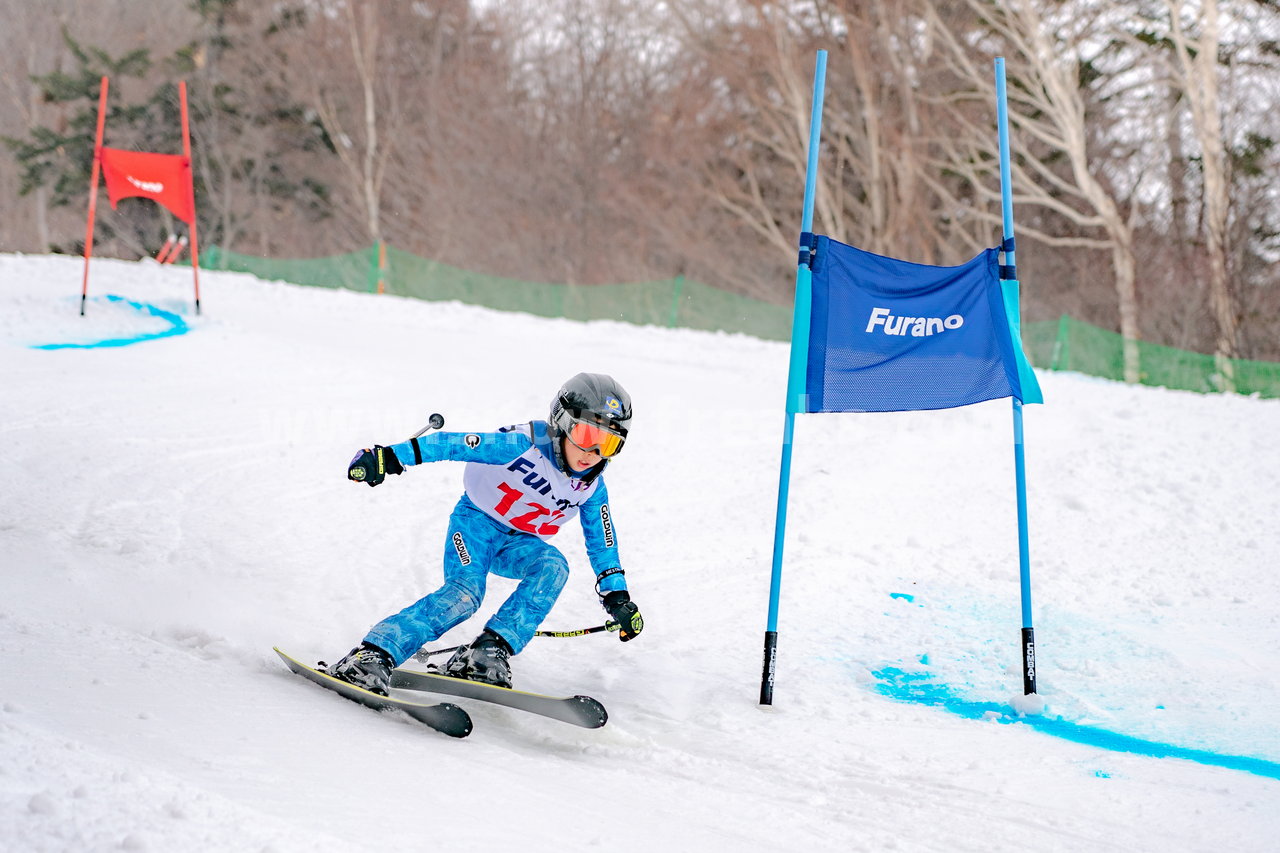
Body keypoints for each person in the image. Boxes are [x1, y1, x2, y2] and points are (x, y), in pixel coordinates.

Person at [327, 372, 643, 694]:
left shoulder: (592, 488)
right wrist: (389, 456)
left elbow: (603, 542)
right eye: (587, 434)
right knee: (465, 594)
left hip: (519, 543)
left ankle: (488, 651)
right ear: (562, 422)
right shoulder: (521, 446)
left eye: (609, 443)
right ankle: (374, 653)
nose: (592, 452)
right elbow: (450, 444)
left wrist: (616, 594)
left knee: (553, 567)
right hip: (476, 525)